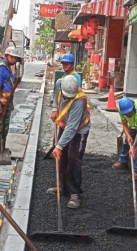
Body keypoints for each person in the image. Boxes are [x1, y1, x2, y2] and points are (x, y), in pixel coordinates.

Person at [47, 75, 91, 209]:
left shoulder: (79, 100)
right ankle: (61, 186)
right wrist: (55, 108)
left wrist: (59, 146)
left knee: (74, 159)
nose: (66, 98)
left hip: (79, 130)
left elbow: (72, 127)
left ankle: (74, 193)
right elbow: (56, 96)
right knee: (62, 157)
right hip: (64, 125)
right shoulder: (60, 83)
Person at [0, 46, 21, 151]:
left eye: (15, 58)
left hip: (8, 100)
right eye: (12, 57)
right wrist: (0, 98)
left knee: (6, 125)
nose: (14, 59)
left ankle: (2, 146)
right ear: (6, 56)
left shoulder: (8, 68)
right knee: (1, 125)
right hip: (2, 102)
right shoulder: (1, 67)